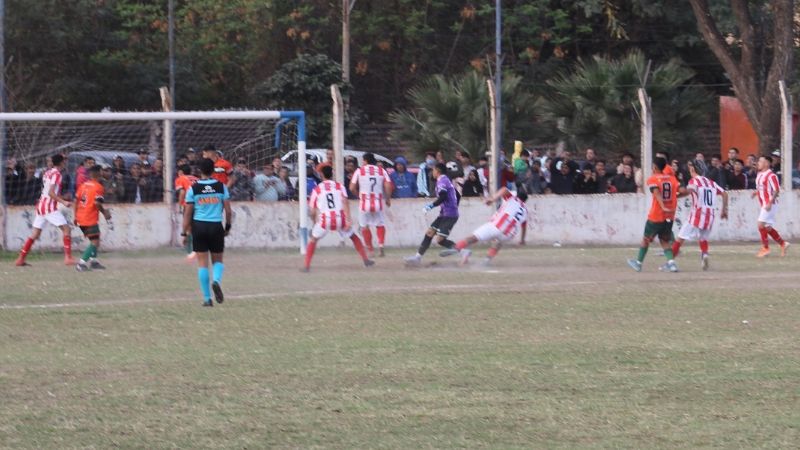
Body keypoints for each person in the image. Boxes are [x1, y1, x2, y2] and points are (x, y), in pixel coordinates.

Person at [301, 166, 374, 272]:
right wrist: (348, 219)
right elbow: (345, 202)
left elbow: (312, 211)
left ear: (321, 175)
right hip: (340, 218)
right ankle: (366, 260)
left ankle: (306, 266)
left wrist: (314, 222)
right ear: (332, 174)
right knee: (354, 237)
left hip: (325, 219)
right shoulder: (339, 186)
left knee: (313, 239)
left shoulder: (317, 189)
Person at [182, 158, 232, 307]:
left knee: (202, 264)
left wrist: (184, 233)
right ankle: (216, 281)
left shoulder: (193, 189)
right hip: (216, 226)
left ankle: (207, 299)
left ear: (199, 171)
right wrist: (227, 227)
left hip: (199, 227)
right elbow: (229, 211)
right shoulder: (221, 187)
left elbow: (187, 213)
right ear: (213, 170)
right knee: (218, 260)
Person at [15, 154, 75, 266]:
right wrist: (63, 202)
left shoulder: (48, 172)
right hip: (49, 207)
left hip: (41, 205)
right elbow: (51, 193)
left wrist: (60, 197)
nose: (65, 162)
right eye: (65, 160)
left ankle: (20, 259)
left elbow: (49, 190)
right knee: (67, 230)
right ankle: (68, 258)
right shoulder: (57, 174)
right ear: (62, 162)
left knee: (35, 234)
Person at [672, 161, 728, 270]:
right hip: (710, 216)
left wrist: (675, 197)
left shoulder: (694, 181)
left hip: (697, 215)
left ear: (693, 169)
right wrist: (724, 210)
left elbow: (688, 191)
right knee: (703, 238)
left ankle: (670, 262)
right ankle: (705, 255)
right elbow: (725, 193)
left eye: (690, 168)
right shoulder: (711, 183)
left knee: (680, 238)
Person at [450, 187, 528, 266]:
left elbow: (504, 189)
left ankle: (457, 248)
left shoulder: (513, 199)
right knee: (497, 243)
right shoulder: (525, 210)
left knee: (472, 238)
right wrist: (522, 240)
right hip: (508, 234)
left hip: (497, 226)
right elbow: (524, 226)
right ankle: (486, 261)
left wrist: (493, 199)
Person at [627, 157, 679, 273]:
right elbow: (678, 191)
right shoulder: (672, 179)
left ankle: (638, 263)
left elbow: (656, 193)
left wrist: (662, 205)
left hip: (656, 216)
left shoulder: (653, 179)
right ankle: (672, 264)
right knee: (664, 240)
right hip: (669, 215)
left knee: (646, 239)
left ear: (655, 167)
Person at [404, 163, 459, 266]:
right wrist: (453, 205)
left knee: (440, 240)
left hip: (449, 215)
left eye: (433, 170)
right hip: (444, 214)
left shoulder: (442, 181)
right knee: (430, 233)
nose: (432, 173)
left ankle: (461, 250)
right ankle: (417, 258)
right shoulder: (445, 180)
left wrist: (430, 206)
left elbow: (442, 196)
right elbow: (457, 195)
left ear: (437, 170)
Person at [350, 152, 393, 257]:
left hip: (365, 202)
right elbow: (388, 186)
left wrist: (358, 195)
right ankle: (381, 245)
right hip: (378, 202)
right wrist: (387, 198)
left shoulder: (360, 171)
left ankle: (370, 250)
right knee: (380, 225)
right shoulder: (381, 170)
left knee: (364, 226)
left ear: (365, 161)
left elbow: (351, 187)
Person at [73, 165, 112, 272]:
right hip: (89, 218)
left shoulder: (83, 185)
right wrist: (105, 213)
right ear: (99, 173)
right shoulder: (98, 187)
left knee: (95, 239)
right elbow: (97, 203)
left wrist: (75, 216)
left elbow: (76, 201)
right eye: (102, 171)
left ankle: (94, 262)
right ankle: (81, 263)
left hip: (81, 217)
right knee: (95, 242)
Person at [752, 155, 789, 258]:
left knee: (760, 225)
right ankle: (783, 244)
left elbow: (776, 190)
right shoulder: (759, 174)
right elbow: (762, 188)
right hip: (764, 203)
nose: (758, 163)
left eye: (760, 161)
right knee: (767, 228)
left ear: (767, 163)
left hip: (770, 204)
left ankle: (765, 248)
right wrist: (756, 192)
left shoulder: (771, 176)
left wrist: (770, 202)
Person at [175, 164, 198, 261]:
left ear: (180, 172)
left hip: (189, 204)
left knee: (188, 227)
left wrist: (180, 204)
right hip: (201, 204)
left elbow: (182, 192)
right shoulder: (197, 179)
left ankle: (190, 251)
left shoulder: (180, 178)